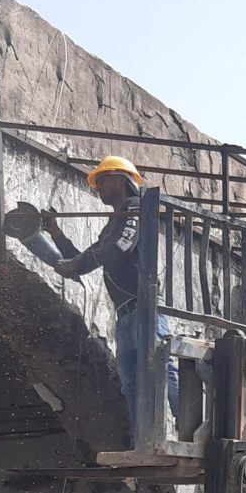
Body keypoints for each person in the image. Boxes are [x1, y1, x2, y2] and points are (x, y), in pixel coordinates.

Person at [49, 156, 177, 422]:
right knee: (130, 384)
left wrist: (75, 264)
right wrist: (55, 233)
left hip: (145, 308)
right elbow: (87, 259)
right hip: (125, 315)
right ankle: (140, 441)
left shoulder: (137, 208)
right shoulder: (112, 225)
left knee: (162, 370)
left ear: (121, 180)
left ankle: (188, 424)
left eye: (102, 180)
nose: (97, 187)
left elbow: (120, 248)